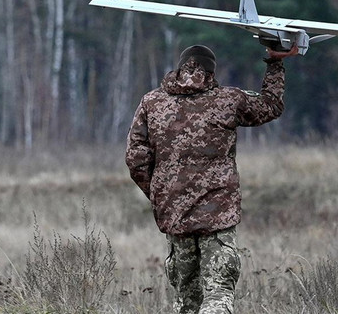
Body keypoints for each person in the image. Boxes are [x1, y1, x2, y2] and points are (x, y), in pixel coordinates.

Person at [126, 43, 298, 314]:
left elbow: (136, 159)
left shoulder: (152, 103)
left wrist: (161, 193)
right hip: (217, 215)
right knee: (218, 294)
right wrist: (274, 63)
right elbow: (271, 106)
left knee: (186, 302)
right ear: (210, 73)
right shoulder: (228, 100)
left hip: (173, 214)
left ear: (180, 68)